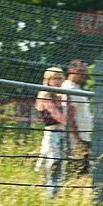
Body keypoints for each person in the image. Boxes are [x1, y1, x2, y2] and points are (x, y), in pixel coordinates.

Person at [34, 67, 67, 198]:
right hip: (52, 134)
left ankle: (54, 196)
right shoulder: (45, 94)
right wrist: (64, 102)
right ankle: (49, 197)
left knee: (58, 167)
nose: (58, 81)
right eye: (55, 78)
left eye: (60, 78)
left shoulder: (59, 95)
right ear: (48, 80)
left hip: (61, 133)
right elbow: (61, 117)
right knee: (52, 165)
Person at [62, 60, 93, 176]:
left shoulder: (78, 89)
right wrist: (77, 140)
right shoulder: (69, 88)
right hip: (75, 139)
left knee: (83, 173)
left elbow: (80, 114)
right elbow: (69, 117)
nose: (84, 74)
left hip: (83, 137)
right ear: (71, 70)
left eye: (85, 71)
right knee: (77, 173)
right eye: (80, 71)